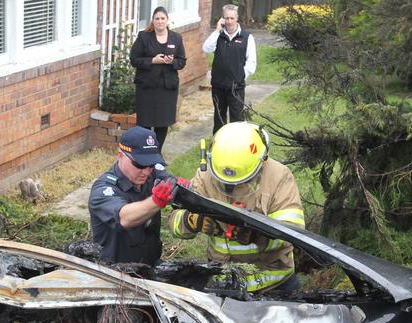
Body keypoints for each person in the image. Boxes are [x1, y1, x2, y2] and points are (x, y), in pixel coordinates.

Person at [169, 122, 305, 292]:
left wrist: (257, 236)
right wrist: (191, 221)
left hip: (273, 284)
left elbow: (294, 233)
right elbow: (174, 223)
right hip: (224, 282)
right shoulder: (206, 175)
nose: (231, 189)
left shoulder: (279, 177)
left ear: (261, 162)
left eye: (241, 182)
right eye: (224, 183)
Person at [89, 126, 181, 266]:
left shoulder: (153, 173)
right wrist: (156, 201)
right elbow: (124, 218)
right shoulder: (103, 190)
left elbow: (177, 187)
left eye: (151, 164)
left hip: (149, 267)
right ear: (120, 156)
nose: (146, 172)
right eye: (139, 164)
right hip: (114, 274)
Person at [130, 6, 187, 153]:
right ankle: (145, 153)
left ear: (167, 20)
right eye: (157, 19)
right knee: (145, 123)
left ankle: (157, 153)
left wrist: (172, 62)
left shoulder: (176, 38)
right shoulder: (144, 37)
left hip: (167, 88)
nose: (160, 21)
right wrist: (152, 61)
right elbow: (134, 59)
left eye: (163, 18)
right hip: (147, 87)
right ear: (153, 21)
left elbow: (182, 61)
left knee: (163, 123)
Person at [202, 4, 257, 135]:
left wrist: (240, 75)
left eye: (232, 18)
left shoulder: (247, 37)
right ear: (222, 19)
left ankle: (237, 148)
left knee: (237, 120)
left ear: (237, 18)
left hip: (236, 87)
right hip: (218, 85)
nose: (229, 21)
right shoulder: (218, 36)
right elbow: (206, 48)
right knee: (219, 118)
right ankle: (218, 146)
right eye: (226, 18)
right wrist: (216, 31)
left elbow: (252, 62)